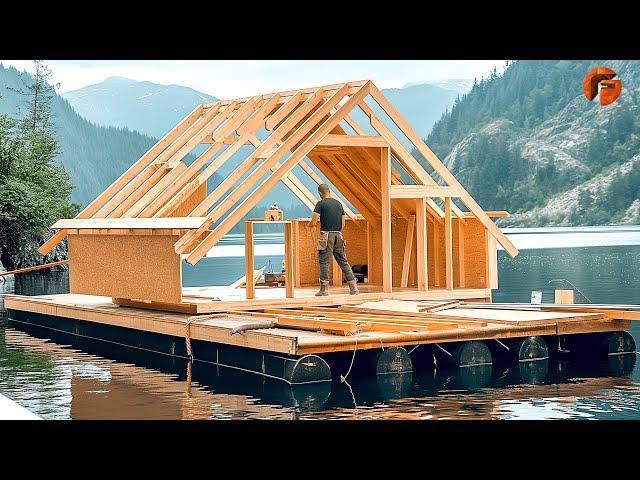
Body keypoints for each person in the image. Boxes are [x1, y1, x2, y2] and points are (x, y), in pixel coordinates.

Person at [306, 184, 359, 296]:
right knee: (343, 261)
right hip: (339, 235)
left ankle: (324, 289)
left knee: (324, 261)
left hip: (326, 235)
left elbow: (314, 221)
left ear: (320, 193)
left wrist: (310, 225)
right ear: (329, 191)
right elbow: (343, 223)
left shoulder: (320, 203)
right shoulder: (339, 204)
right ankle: (353, 288)